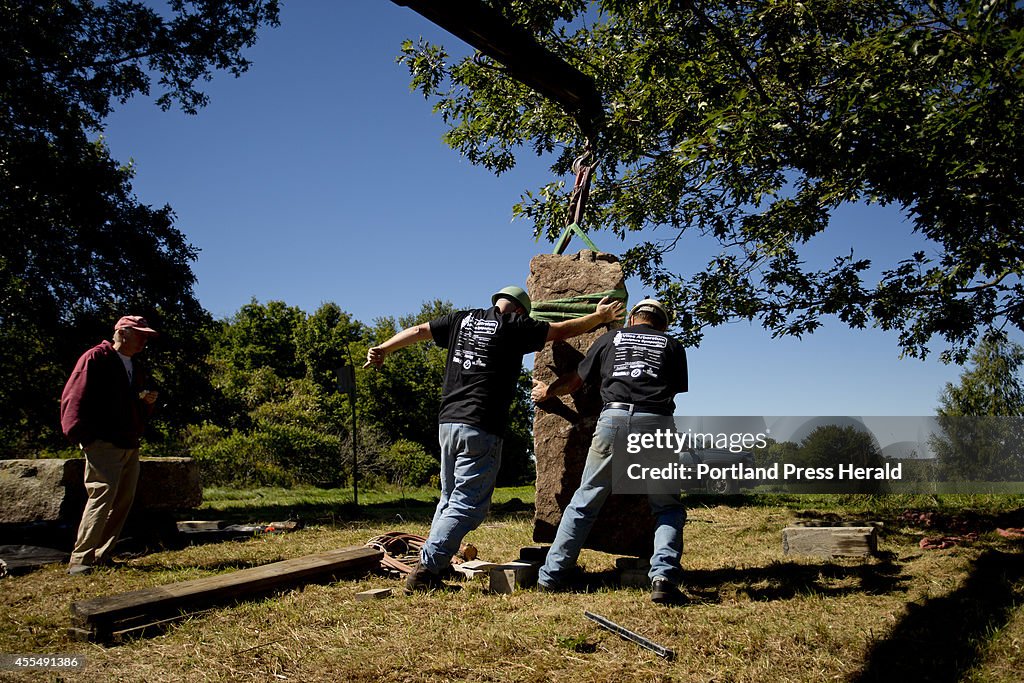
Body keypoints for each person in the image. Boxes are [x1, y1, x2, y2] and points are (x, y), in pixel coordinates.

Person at [365, 285, 624, 593]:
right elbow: (559, 330)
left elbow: (420, 330)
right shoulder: (513, 325)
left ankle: (433, 567)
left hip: (448, 422)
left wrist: (384, 347)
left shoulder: (461, 319)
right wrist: (599, 317)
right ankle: (425, 572)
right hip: (481, 424)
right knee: (467, 505)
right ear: (519, 311)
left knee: (449, 499)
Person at [531, 298, 689, 604]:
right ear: (663, 324)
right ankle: (663, 578)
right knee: (666, 507)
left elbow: (575, 381)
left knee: (586, 500)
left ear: (631, 319)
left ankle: (550, 577)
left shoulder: (609, 338)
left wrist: (547, 390)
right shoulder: (672, 344)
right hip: (656, 422)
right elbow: (672, 389)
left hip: (613, 420)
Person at [60, 315, 160, 575]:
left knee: (123, 499)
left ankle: (102, 555)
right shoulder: (96, 358)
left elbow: (130, 404)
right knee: (102, 495)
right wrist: (82, 435)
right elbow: (74, 396)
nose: (144, 341)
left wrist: (147, 402)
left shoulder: (135, 367)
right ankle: (81, 559)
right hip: (103, 441)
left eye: (146, 336)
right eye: (140, 334)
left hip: (129, 440)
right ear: (123, 332)